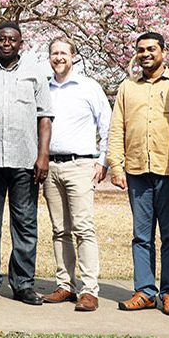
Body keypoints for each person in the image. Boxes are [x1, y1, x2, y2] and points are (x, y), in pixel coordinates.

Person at [0, 22, 53, 305]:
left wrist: (42, 155)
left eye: (13, 39)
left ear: (21, 43)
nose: (7, 43)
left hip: (25, 160)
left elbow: (45, 117)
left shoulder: (36, 74)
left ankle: (23, 284)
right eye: (2, 39)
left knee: (25, 224)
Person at [107, 32, 169, 315]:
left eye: (151, 49)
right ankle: (145, 291)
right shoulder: (128, 87)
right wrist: (116, 166)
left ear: (163, 52)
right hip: (137, 170)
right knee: (141, 236)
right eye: (141, 50)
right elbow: (118, 127)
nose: (146, 54)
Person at [40, 37, 111, 312]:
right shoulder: (44, 88)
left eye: (63, 53)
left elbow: (107, 125)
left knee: (83, 228)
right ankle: (65, 284)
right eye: (54, 53)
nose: (59, 57)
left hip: (81, 165)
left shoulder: (88, 87)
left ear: (74, 56)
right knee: (60, 230)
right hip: (51, 167)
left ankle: (89, 289)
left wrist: (102, 161)